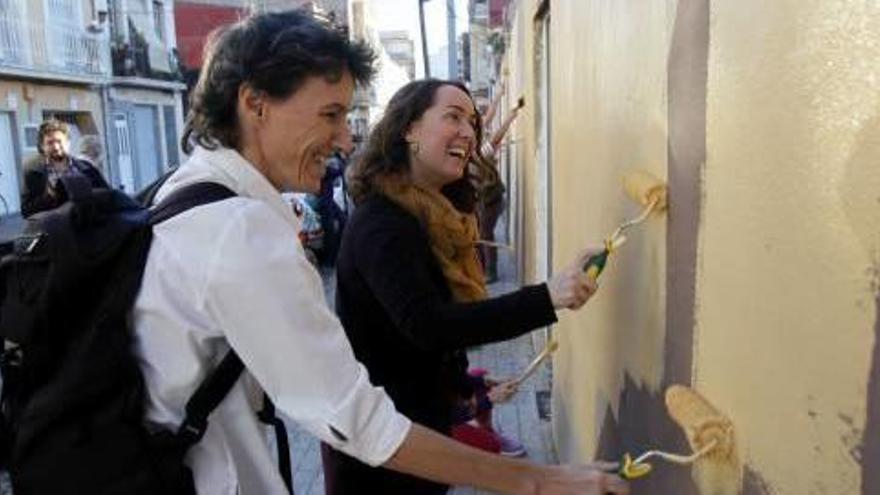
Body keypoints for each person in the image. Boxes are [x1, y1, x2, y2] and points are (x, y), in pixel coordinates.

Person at [133, 10, 627, 495]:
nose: (346, 137)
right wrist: (538, 479)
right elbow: (359, 417)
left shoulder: (186, 193)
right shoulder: (240, 230)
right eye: (331, 114)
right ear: (255, 103)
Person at [322, 78, 608, 494]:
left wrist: (460, 383)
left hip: (417, 436)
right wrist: (548, 295)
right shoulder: (382, 223)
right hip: (379, 456)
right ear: (409, 129)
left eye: (472, 122)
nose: (469, 132)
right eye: (453, 116)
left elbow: (419, 337)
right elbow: (428, 324)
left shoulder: (432, 218)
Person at [20, 119, 109, 217]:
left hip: (86, 227)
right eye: (50, 143)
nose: (56, 147)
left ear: (68, 142)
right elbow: (26, 211)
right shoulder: (34, 173)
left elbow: (107, 196)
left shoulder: (87, 168)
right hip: (55, 229)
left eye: (59, 141)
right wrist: (49, 196)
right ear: (42, 147)